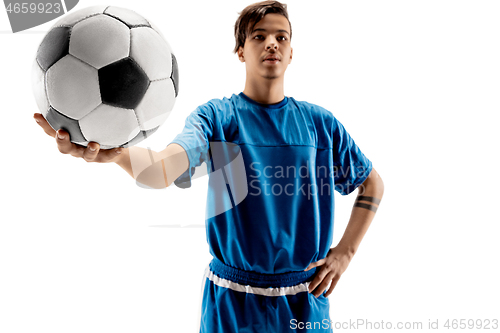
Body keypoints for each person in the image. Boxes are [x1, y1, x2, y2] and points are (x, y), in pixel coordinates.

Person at [34, 1, 384, 331]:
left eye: (282, 37)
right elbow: (162, 170)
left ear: (292, 53)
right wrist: (115, 154)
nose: (272, 44)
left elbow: (372, 184)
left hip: (304, 303)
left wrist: (345, 253)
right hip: (232, 303)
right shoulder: (218, 118)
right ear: (240, 51)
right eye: (259, 36)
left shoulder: (320, 125)